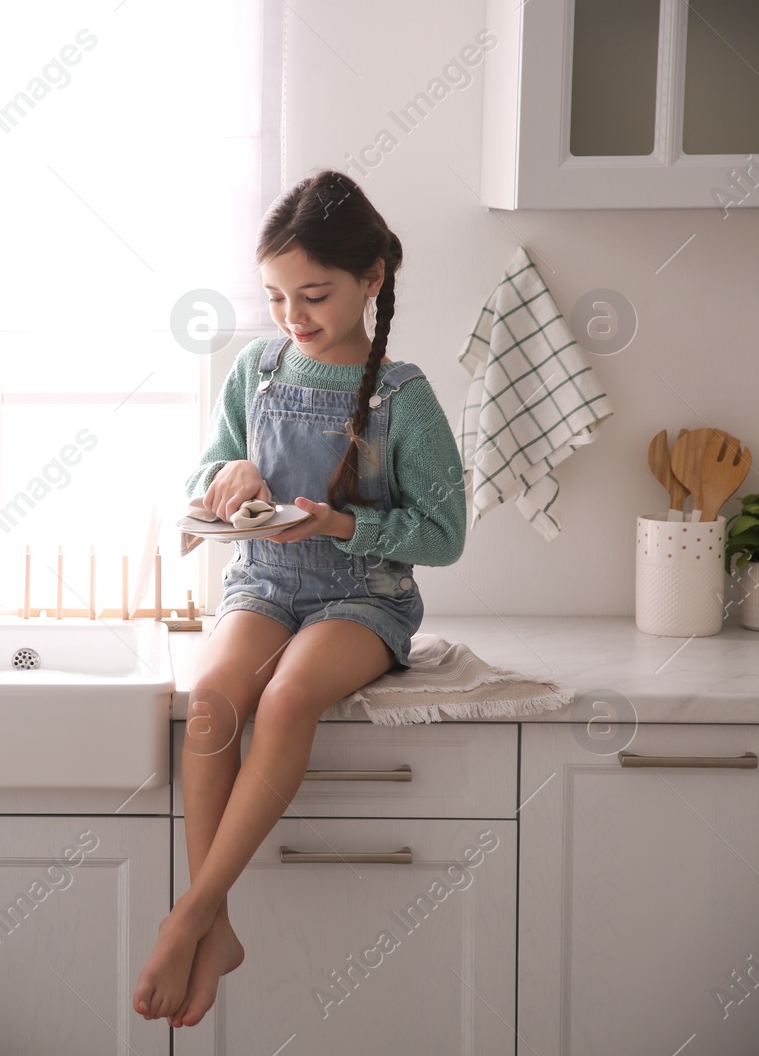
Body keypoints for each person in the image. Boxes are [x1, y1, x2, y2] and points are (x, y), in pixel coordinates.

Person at [133, 169, 467, 1027]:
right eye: (277, 296)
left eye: (313, 294)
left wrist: (341, 525)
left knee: (284, 702)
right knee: (211, 698)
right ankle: (220, 925)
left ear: (371, 279)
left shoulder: (406, 396)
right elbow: (204, 472)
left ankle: (189, 915)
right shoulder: (259, 365)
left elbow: (443, 535)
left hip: (365, 595)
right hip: (265, 583)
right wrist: (228, 475)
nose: (293, 316)